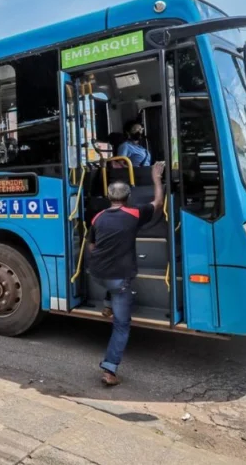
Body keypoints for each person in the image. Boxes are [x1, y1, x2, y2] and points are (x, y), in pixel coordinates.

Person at [88, 161, 165, 386]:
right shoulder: (134, 214)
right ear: (128, 197)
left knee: (113, 282)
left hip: (97, 273)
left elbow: (92, 247)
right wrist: (156, 177)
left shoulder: (98, 217)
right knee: (121, 325)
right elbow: (158, 203)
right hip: (118, 278)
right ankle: (110, 370)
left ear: (108, 197)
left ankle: (107, 305)